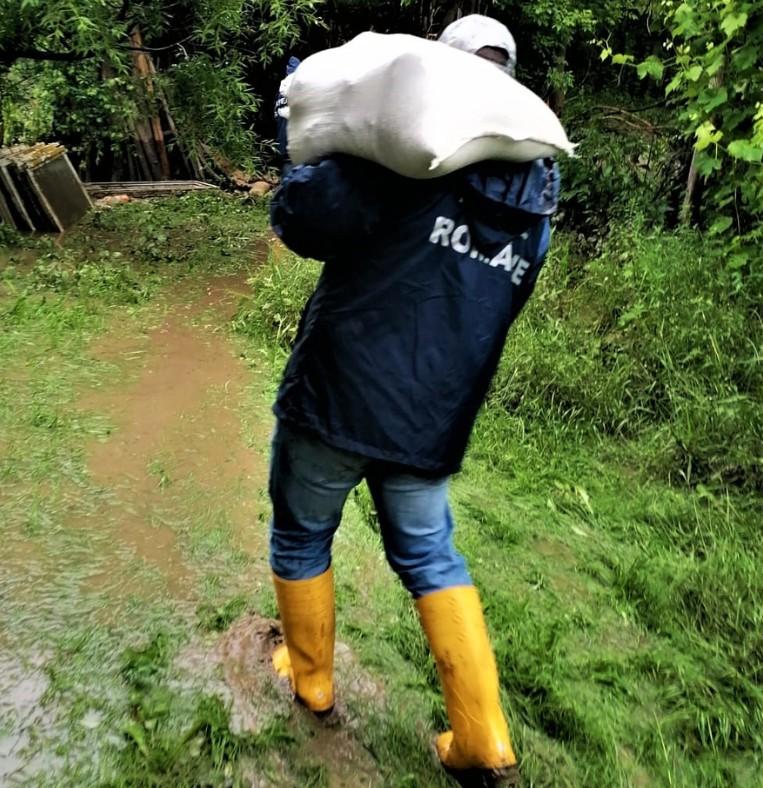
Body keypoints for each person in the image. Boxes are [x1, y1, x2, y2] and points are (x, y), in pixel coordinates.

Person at [267, 15, 559, 788]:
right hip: (434, 411)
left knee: (301, 534)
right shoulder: (540, 188)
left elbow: (302, 221)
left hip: (338, 391)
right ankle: (482, 738)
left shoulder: (402, 148)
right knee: (431, 556)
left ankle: (311, 680)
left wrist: (293, 131)